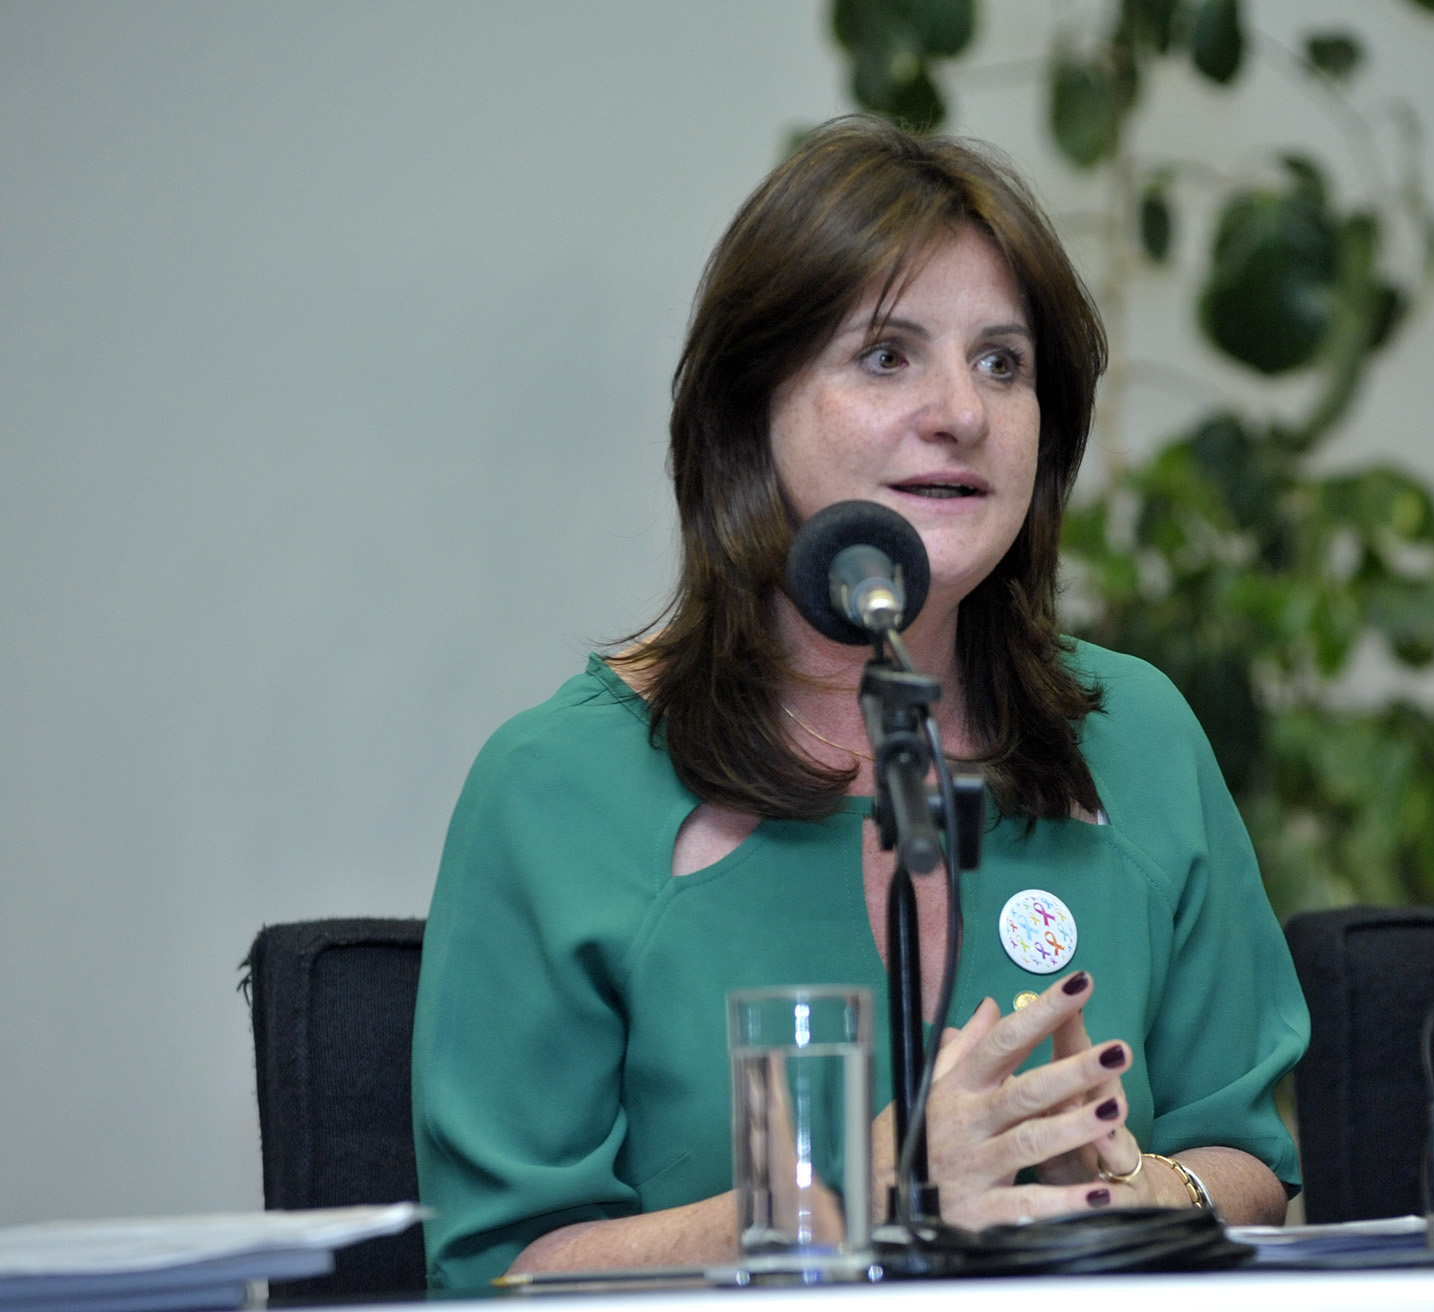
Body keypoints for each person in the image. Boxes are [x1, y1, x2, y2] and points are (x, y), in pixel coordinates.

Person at [411, 117, 1307, 1288]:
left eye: (1002, 362)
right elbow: (501, 1275)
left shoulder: (1133, 736)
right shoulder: (558, 787)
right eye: (886, 355)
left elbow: (1252, 1165)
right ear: (752, 407)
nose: (960, 412)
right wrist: (865, 1189)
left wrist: (1132, 1191)